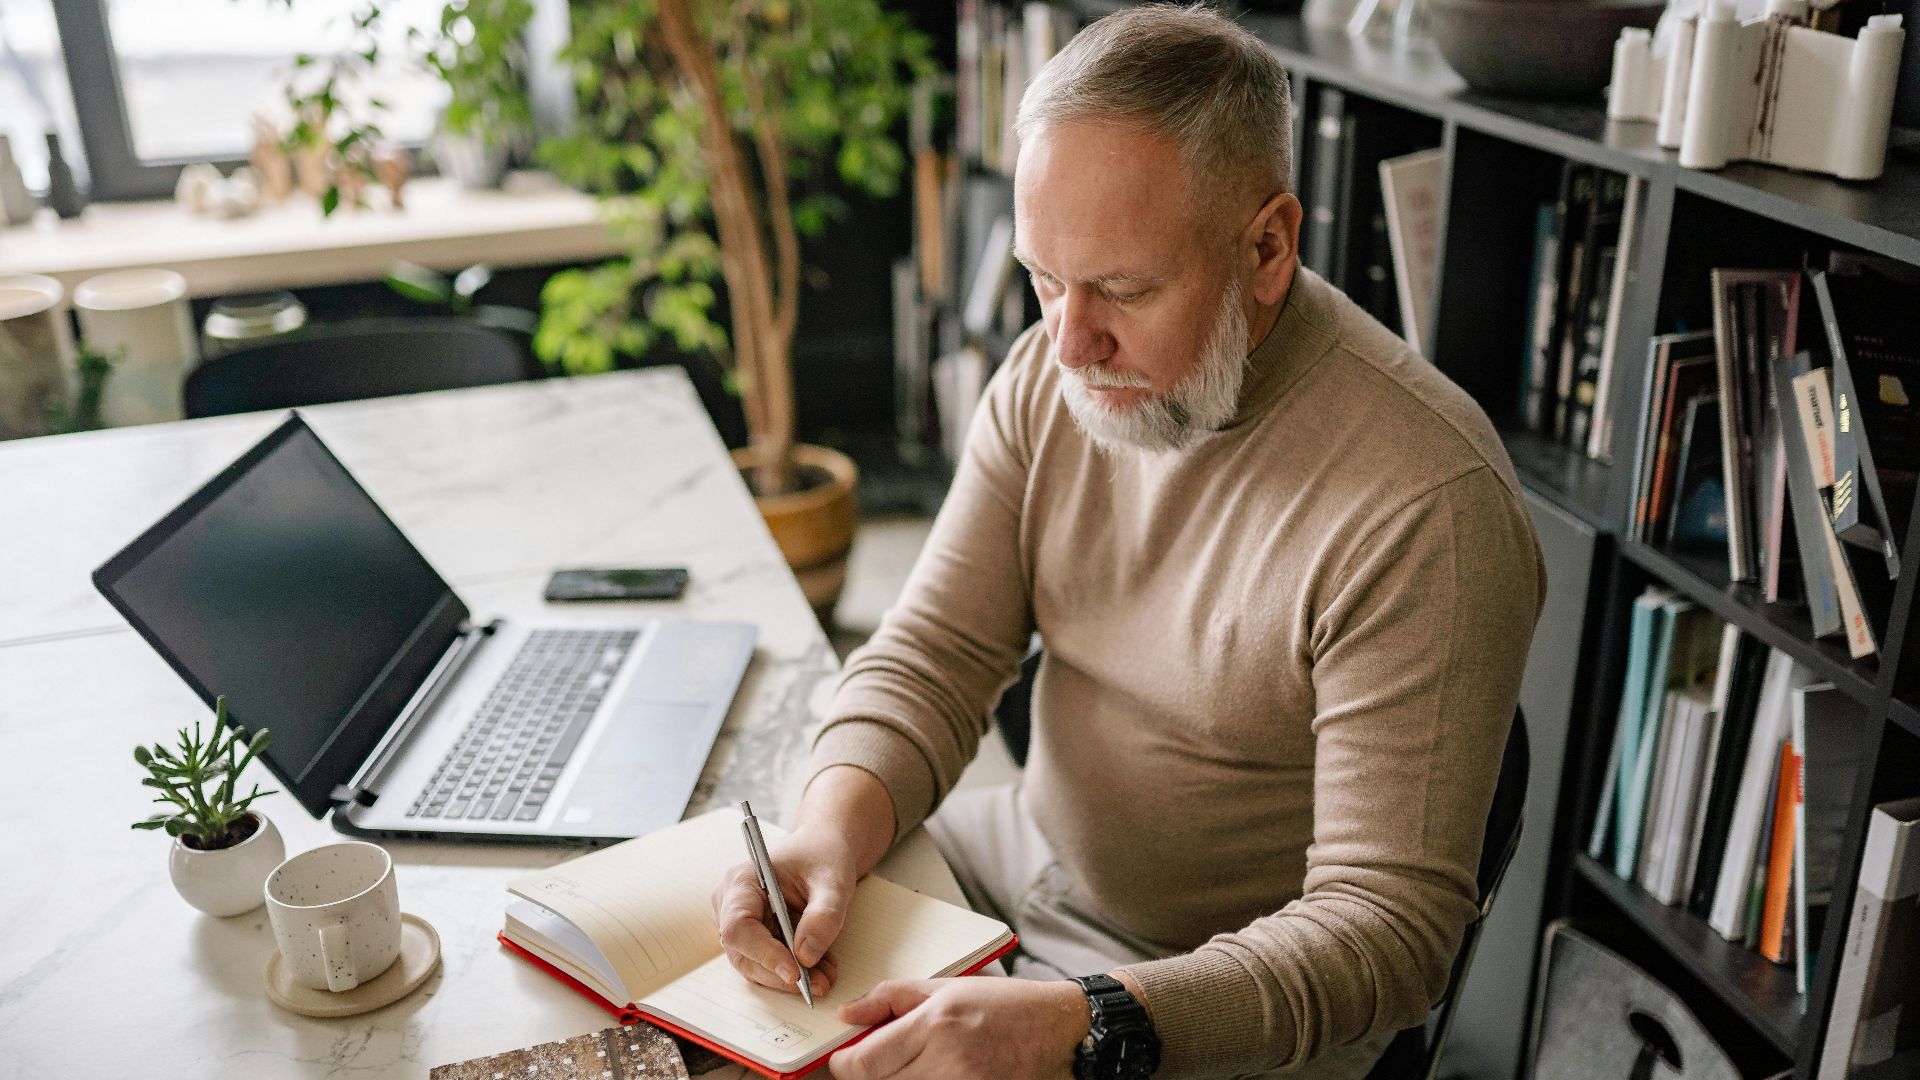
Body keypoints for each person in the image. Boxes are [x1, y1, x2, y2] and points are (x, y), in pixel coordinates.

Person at [711, 5, 1546, 1078]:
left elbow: (1384, 934)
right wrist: (825, 831)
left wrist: (1082, 1017)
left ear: (1267, 248)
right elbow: (935, 655)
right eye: (1046, 278)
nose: (1069, 341)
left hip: (1225, 995)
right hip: (1026, 859)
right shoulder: (1049, 374)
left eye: (1123, 287)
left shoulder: (1427, 503)